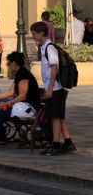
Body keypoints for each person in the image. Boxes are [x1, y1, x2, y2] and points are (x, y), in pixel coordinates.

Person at [0, 51, 41, 149]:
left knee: (0, 113)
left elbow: (22, 96)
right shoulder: (20, 74)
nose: (8, 66)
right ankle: (0, 137)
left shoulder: (24, 75)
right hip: (23, 106)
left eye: (8, 63)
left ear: (14, 63)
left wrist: (6, 104)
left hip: (30, 107)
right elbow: (10, 92)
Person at [30, 21, 75, 156]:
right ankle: (68, 142)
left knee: (55, 117)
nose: (33, 36)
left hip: (54, 88)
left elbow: (55, 67)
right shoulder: (44, 47)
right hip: (54, 88)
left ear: (41, 33)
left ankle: (55, 145)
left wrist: (49, 88)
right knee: (59, 116)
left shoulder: (49, 48)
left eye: (34, 34)